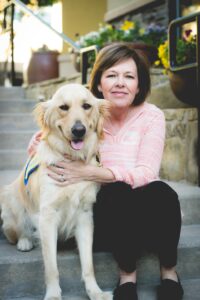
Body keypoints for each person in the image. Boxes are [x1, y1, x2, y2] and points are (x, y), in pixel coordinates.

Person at [28, 42, 184, 300]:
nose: (121, 82)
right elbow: (52, 132)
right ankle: (127, 277)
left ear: (139, 85)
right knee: (117, 192)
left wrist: (91, 172)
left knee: (163, 192)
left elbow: (146, 172)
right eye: (112, 75)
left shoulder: (152, 116)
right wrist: (36, 141)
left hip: (145, 209)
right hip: (112, 216)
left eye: (129, 76)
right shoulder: (89, 115)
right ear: (99, 83)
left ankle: (169, 273)